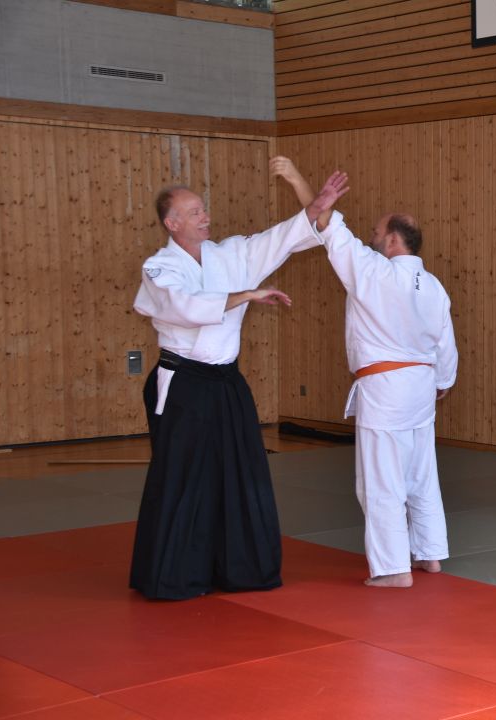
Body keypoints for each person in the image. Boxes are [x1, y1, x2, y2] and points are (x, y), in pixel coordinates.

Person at [129, 165, 350, 600]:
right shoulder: (158, 268)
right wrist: (246, 294)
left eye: (203, 209)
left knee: (239, 472)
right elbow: (185, 307)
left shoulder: (229, 254)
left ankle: (240, 568)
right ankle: (176, 574)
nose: (205, 217)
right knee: (184, 476)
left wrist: (315, 207)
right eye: (194, 212)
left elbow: (279, 239)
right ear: (172, 223)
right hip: (183, 383)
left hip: (226, 381)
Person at [274, 158, 458, 588]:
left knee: (381, 479)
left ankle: (393, 568)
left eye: (376, 232)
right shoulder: (434, 286)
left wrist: (297, 178)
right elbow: (446, 345)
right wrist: (443, 383)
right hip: (421, 386)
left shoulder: (374, 271)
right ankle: (430, 553)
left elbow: (326, 222)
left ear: (392, 240)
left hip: (385, 388)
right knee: (421, 473)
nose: (371, 237)